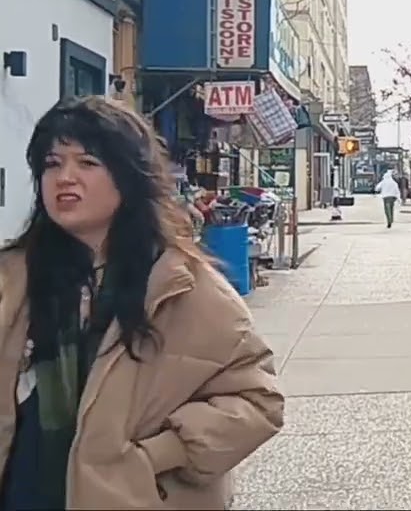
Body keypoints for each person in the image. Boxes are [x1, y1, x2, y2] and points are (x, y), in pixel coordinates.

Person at [0, 96, 283, 509]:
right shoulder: (13, 279)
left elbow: (258, 402)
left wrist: (157, 455)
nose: (65, 178)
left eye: (88, 163)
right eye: (52, 163)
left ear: (129, 177)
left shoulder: (184, 289)